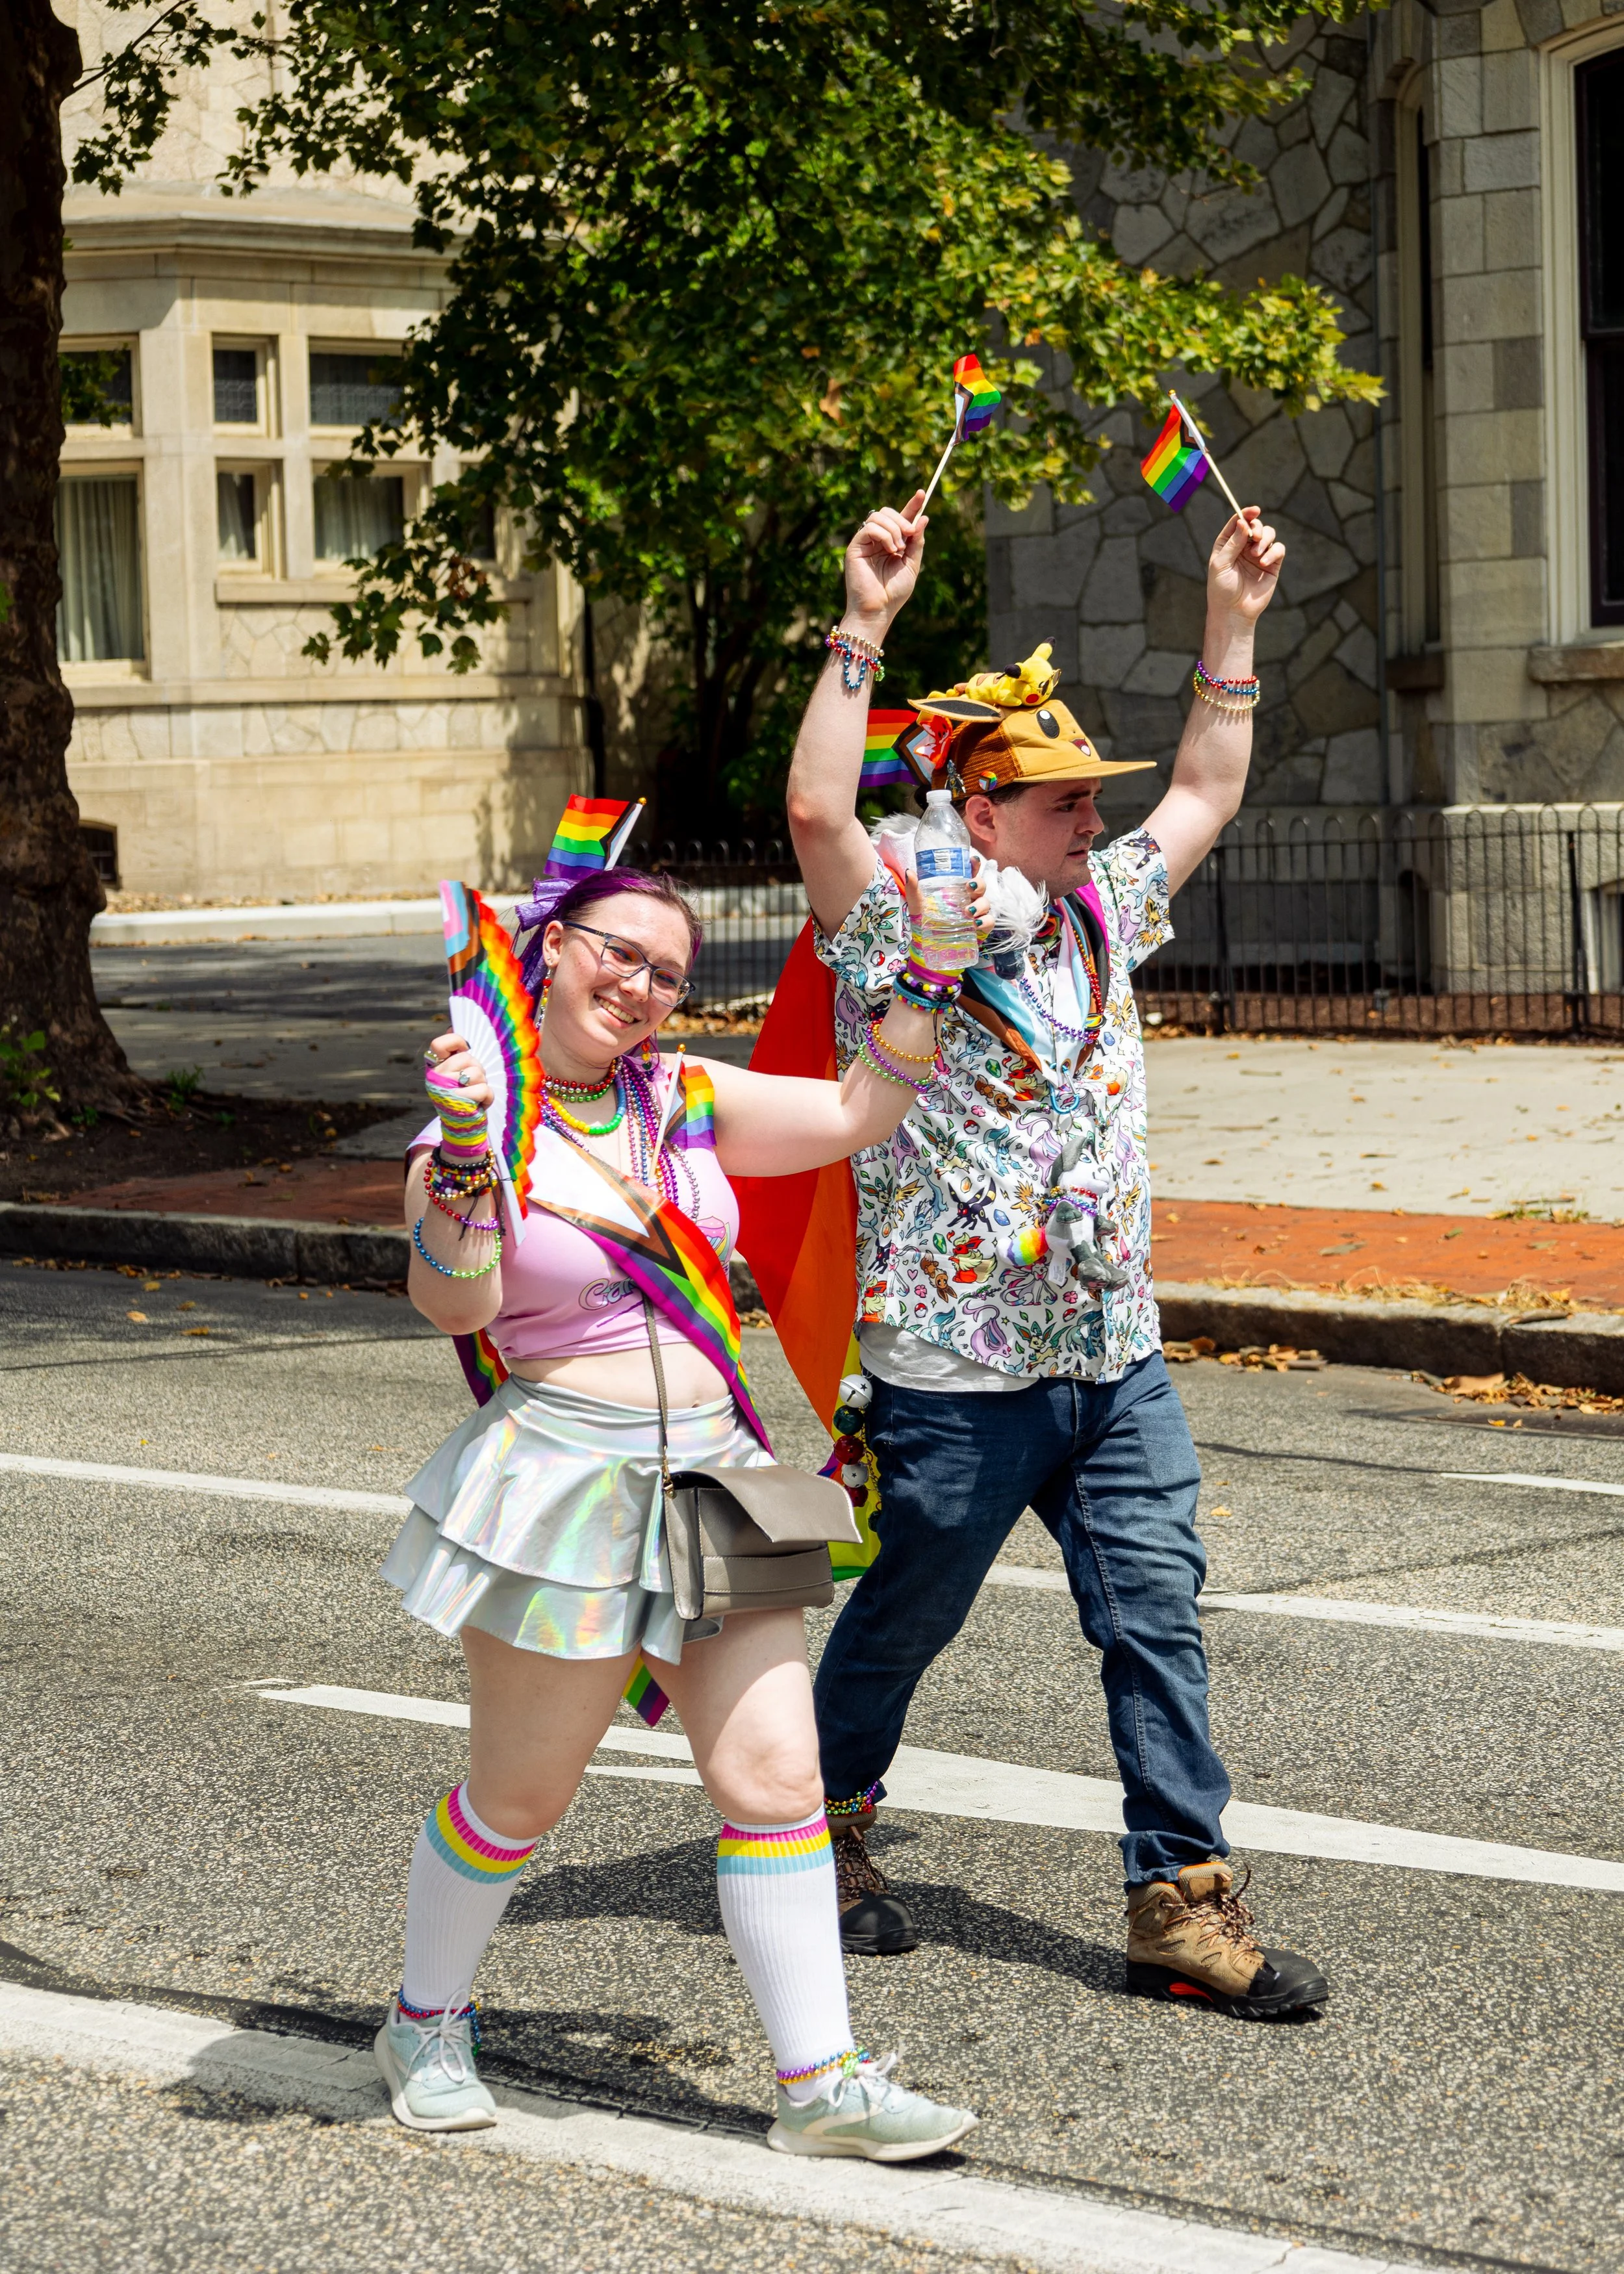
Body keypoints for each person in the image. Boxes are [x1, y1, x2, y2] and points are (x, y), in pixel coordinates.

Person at [784, 485, 1331, 2020]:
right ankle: (810, 1832)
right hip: (955, 1370)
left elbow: (1209, 785)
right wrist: (863, 623)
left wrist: (1230, 620)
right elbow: (817, 812)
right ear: (978, 812)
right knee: (903, 1617)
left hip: (1111, 1352)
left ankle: (1181, 1894)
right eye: (1063, 799)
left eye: (1094, 796)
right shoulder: (893, 922)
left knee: (1153, 1610)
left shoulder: (1106, 905)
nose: (1094, 816)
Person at [374, 826, 982, 2156]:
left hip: (714, 1470)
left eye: (669, 971)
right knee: (521, 1798)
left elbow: (851, 1111)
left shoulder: (683, 1097)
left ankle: (817, 2083)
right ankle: (424, 2018)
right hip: (562, 1484)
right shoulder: (469, 1134)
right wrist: (473, 1151)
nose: (645, 987)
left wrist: (927, 975)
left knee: (776, 1777)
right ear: (546, 948)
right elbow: (452, 1299)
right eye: (620, 954)